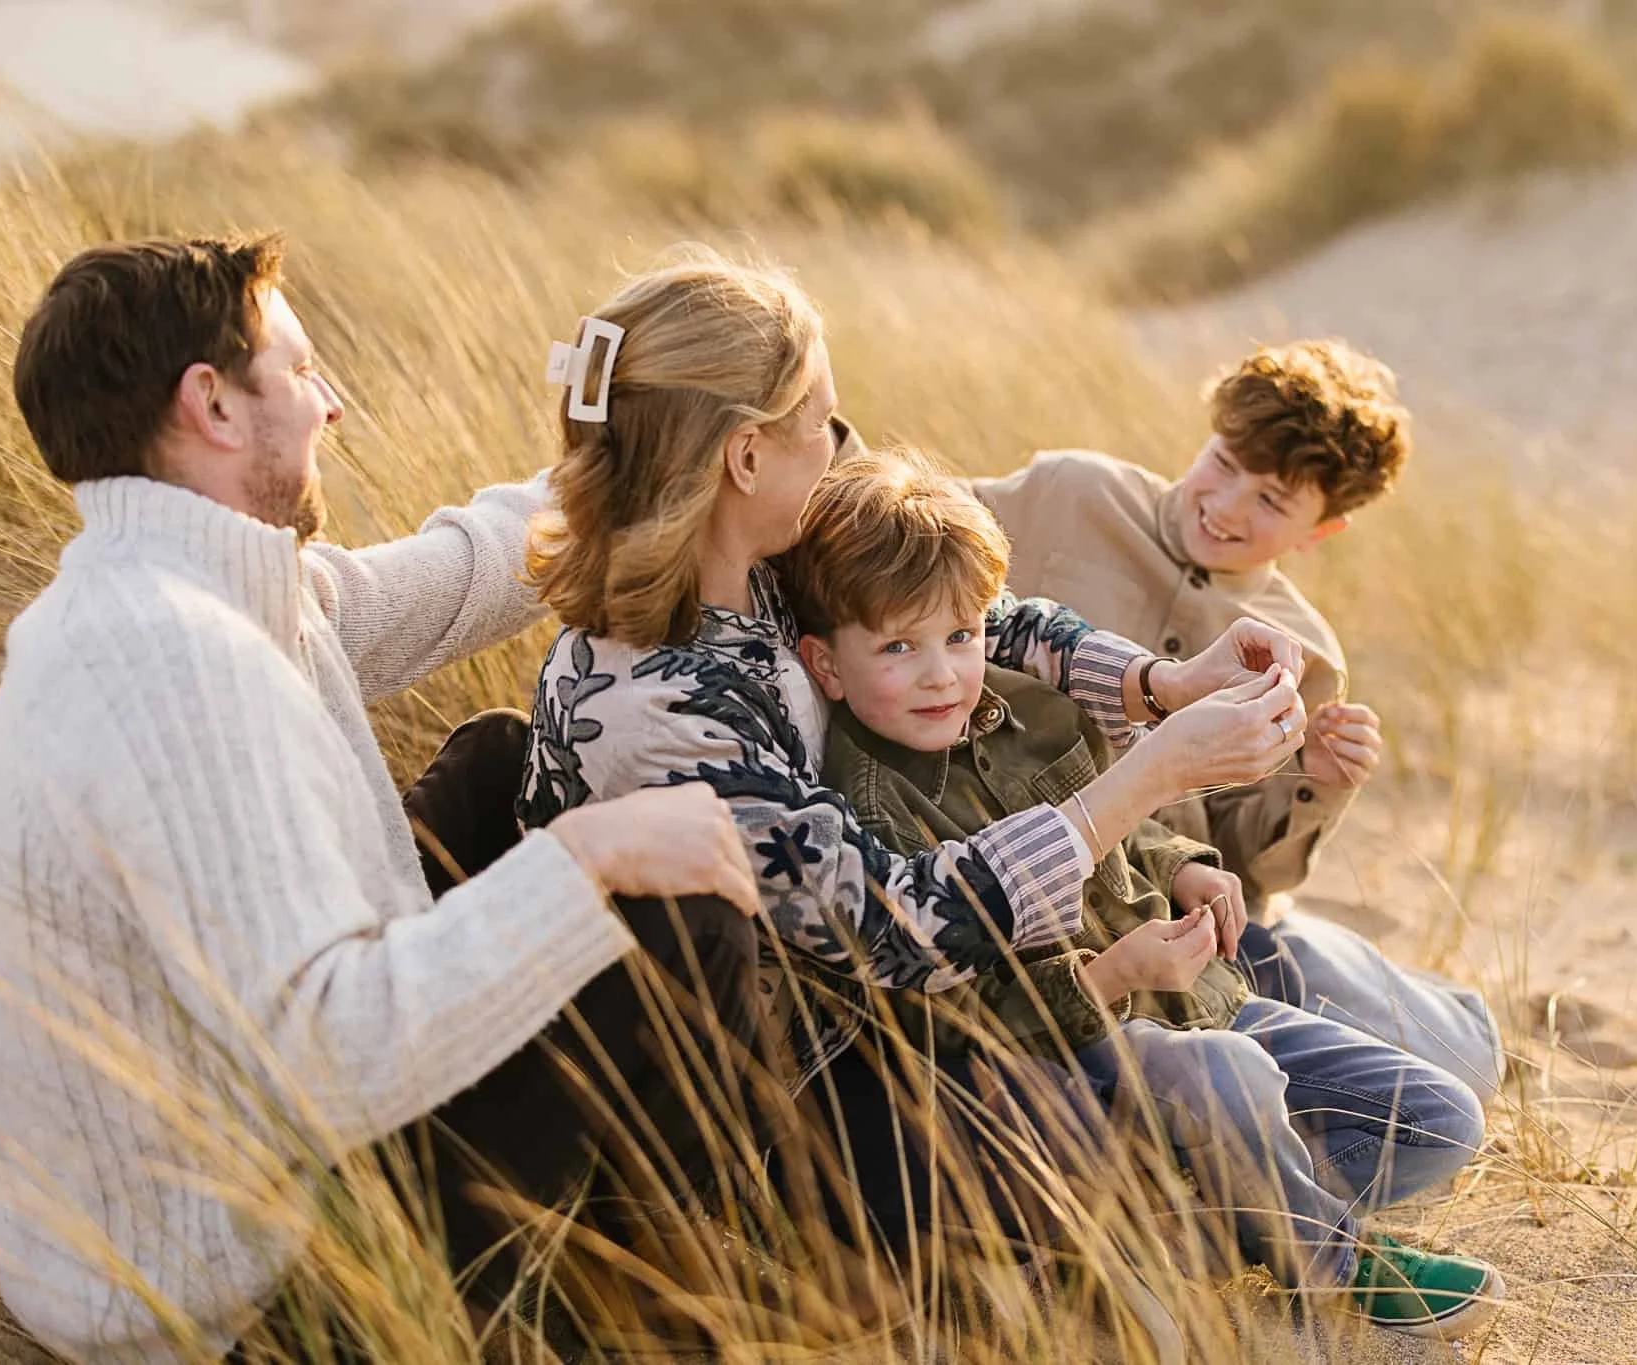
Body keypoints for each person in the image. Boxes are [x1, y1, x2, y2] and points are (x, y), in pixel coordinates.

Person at [0, 235, 776, 1363]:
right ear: (213, 408)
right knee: (682, 923)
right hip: (241, 1293)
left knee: (495, 764)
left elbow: (457, 574)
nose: (330, 405)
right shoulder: (170, 665)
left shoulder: (202, 587)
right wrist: (584, 859)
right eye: (298, 374)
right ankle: (645, 1316)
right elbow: (331, 1062)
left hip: (265, 1147)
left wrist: (618, 456)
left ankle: (601, 1262)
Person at [512, 247, 1314, 1259]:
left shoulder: (753, 562)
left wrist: (1159, 686)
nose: (844, 447)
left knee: (1242, 1062)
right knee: (1127, 1163)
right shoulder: (659, 703)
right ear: (744, 459)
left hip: (894, 1030)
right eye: (825, 425)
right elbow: (897, 923)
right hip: (792, 1107)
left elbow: (968, 615)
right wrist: (1150, 775)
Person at [785, 447, 1503, 1340]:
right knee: (1223, 1071)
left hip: (1192, 991)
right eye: (899, 647)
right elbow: (954, 1014)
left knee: (1439, 1115)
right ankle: (1337, 1264)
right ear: (823, 663)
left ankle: (1205, 1216)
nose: (941, 675)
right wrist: (1117, 974)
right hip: (1087, 1040)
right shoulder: (867, 802)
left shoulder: (1019, 706)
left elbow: (1120, 814)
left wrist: (1181, 868)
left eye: (961, 636)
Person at [971, 341, 1504, 1102]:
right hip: (1027, 854)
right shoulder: (1069, 489)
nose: (1224, 506)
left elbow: (1251, 865)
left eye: (1271, 501)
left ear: (1320, 531)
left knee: (1465, 1072)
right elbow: (904, 525)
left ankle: (1452, 1014)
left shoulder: (1306, 652)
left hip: (1187, 909)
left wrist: (1317, 786)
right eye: (1223, 463)